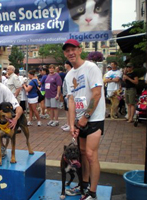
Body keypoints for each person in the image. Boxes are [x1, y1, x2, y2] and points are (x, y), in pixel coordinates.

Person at [63, 39, 105, 200]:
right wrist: (71, 124)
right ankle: (83, 185)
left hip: (94, 118)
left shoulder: (91, 68)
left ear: (80, 50)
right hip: (80, 121)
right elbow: (71, 101)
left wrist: (86, 117)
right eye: (67, 51)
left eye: (73, 49)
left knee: (90, 154)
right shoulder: (69, 75)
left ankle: (92, 193)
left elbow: (96, 94)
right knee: (81, 153)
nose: (70, 53)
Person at [61, 60, 73, 132]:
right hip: (65, 93)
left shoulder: (71, 72)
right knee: (66, 109)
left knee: (69, 110)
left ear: (68, 64)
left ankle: (70, 124)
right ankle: (68, 123)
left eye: (65, 64)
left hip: (68, 94)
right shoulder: (68, 73)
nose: (64, 65)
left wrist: (69, 93)